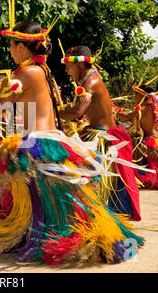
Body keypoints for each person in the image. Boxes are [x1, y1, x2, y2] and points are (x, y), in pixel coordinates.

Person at [0, 21, 144, 266]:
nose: (10, 50)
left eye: (12, 45)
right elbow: (2, 87)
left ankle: (87, 239)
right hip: (44, 140)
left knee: (60, 201)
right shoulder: (38, 69)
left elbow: (1, 103)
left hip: (38, 143)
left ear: (22, 47)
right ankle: (37, 235)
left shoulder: (27, 72)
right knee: (50, 200)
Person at [59, 45, 141, 221]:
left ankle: (100, 217)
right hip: (97, 133)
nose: (66, 69)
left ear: (80, 65)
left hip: (103, 137)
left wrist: (53, 113)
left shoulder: (91, 81)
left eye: (68, 64)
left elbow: (78, 111)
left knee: (92, 179)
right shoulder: (88, 79)